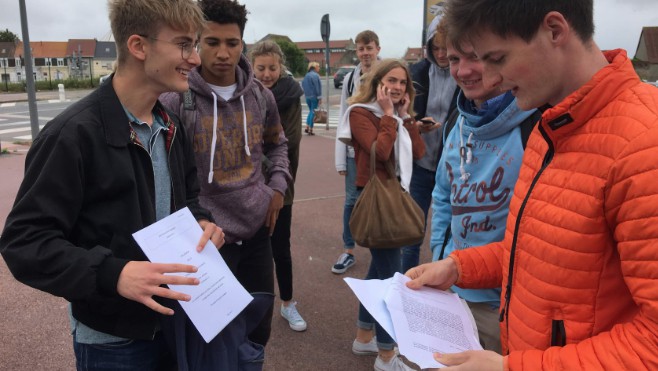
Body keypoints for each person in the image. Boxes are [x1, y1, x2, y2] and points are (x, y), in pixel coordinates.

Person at [406, 0, 658, 369]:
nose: (491, 80)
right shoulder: (552, 124)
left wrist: (511, 368)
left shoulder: (644, 143)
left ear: (554, 30)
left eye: (497, 59)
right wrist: (459, 266)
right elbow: (539, 249)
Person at [0, 0, 226, 369]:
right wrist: (113, 274)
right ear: (138, 46)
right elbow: (24, 243)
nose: (196, 58)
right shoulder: (71, 135)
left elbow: (189, 200)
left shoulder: (170, 126)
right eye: (185, 44)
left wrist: (201, 223)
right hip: (112, 343)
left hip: (176, 324)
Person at [160, 0, 291, 348]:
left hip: (257, 232)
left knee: (258, 330)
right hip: (206, 241)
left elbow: (278, 145)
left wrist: (277, 188)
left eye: (231, 43)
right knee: (212, 337)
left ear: (242, 44)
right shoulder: (176, 99)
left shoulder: (261, 96)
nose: (222, 53)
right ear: (198, 43)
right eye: (212, 42)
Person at [428, 36, 541, 353]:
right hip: (451, 286)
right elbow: (442, 195)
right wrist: (440, 254)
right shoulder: (457, 120)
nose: (462, 71)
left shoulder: (534, 122)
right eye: (453, 59)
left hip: (502, 304)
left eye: (473, 56)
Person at [338, 59, 426, 371]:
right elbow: (381, 152)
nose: (398, 87)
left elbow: (418, 152)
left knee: (380, 272)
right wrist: (389, 117)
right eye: (392, 80)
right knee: (391, 279)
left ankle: (365, 337)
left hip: (394, 193)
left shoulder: (398, 116)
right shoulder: (360, 113)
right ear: (378, 82)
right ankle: (387, 355)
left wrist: (405, 118)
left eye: (403, 82)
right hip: (375, 197)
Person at [248, 40, 307, 332]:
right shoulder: (244, 93)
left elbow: (289, 141)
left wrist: (273, 179)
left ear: (281, 67)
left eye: (272, 67)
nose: (267, 73)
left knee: (280, 247)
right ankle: (251, 303)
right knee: (248, 248)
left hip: (281, 185)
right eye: (261, 68)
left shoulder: (291, 95)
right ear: (251, 67)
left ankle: (287, 302)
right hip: (246, 187)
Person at [400, 15, 459, 273]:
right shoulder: (417, 72)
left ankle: (442, 289)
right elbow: (403, 114)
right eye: (436, 48)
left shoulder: (467, 72)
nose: (442, 54)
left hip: (454, 169)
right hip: (422, 163)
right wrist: (416, 123)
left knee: (451, 236)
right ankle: (403, 287)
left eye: (447, 47)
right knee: (412, 232)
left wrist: (446, 129)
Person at [332, 29, 381, 274]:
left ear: (378, 49)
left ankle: (380, 250)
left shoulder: (386, 74)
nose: (365, 53)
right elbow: (343, 114)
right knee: (351, 200)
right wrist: (340, 159)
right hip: (354, 154)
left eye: (369, 48)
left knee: (381, 200)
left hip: (382, 152)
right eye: (361, 49)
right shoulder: (351, 78)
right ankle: (349, 249)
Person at [301, 61, 322, 135]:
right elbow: (318, 87)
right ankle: (310, 128)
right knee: (313, 112)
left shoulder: (306, 75)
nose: (319, 68)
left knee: (310, 111)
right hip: (314, 96)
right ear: (315, 67)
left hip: (307, 97)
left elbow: (302, 85)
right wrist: (319, 97)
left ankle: (307, 126)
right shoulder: (316, 76)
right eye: (318, 66)